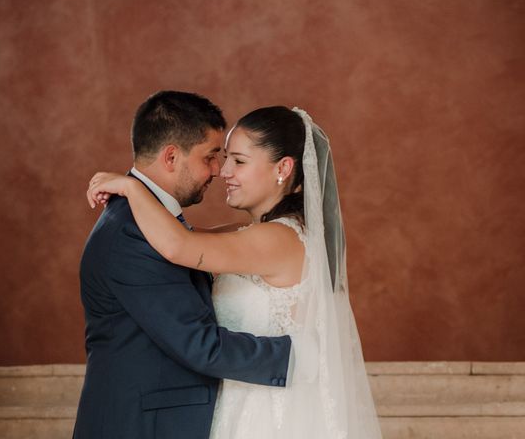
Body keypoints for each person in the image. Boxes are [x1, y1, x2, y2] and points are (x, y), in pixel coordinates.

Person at [87, 105, 383, 438]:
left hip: (269, 411)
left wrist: (131, 188)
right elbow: (185, 234)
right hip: (239, 398)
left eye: (238, 161)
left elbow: (178, 246)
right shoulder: (251, 233)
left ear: (283, 168)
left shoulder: (278, 239)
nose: (223, 171)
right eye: (223, 157)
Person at [73, 91, 293, 439]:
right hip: (140, 427)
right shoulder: (132, 233)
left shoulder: (150, 222)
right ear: (172, 156)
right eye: (211, 157)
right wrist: (299, 356)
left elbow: (194, 243)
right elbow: (199, 344)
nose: (218, 171)